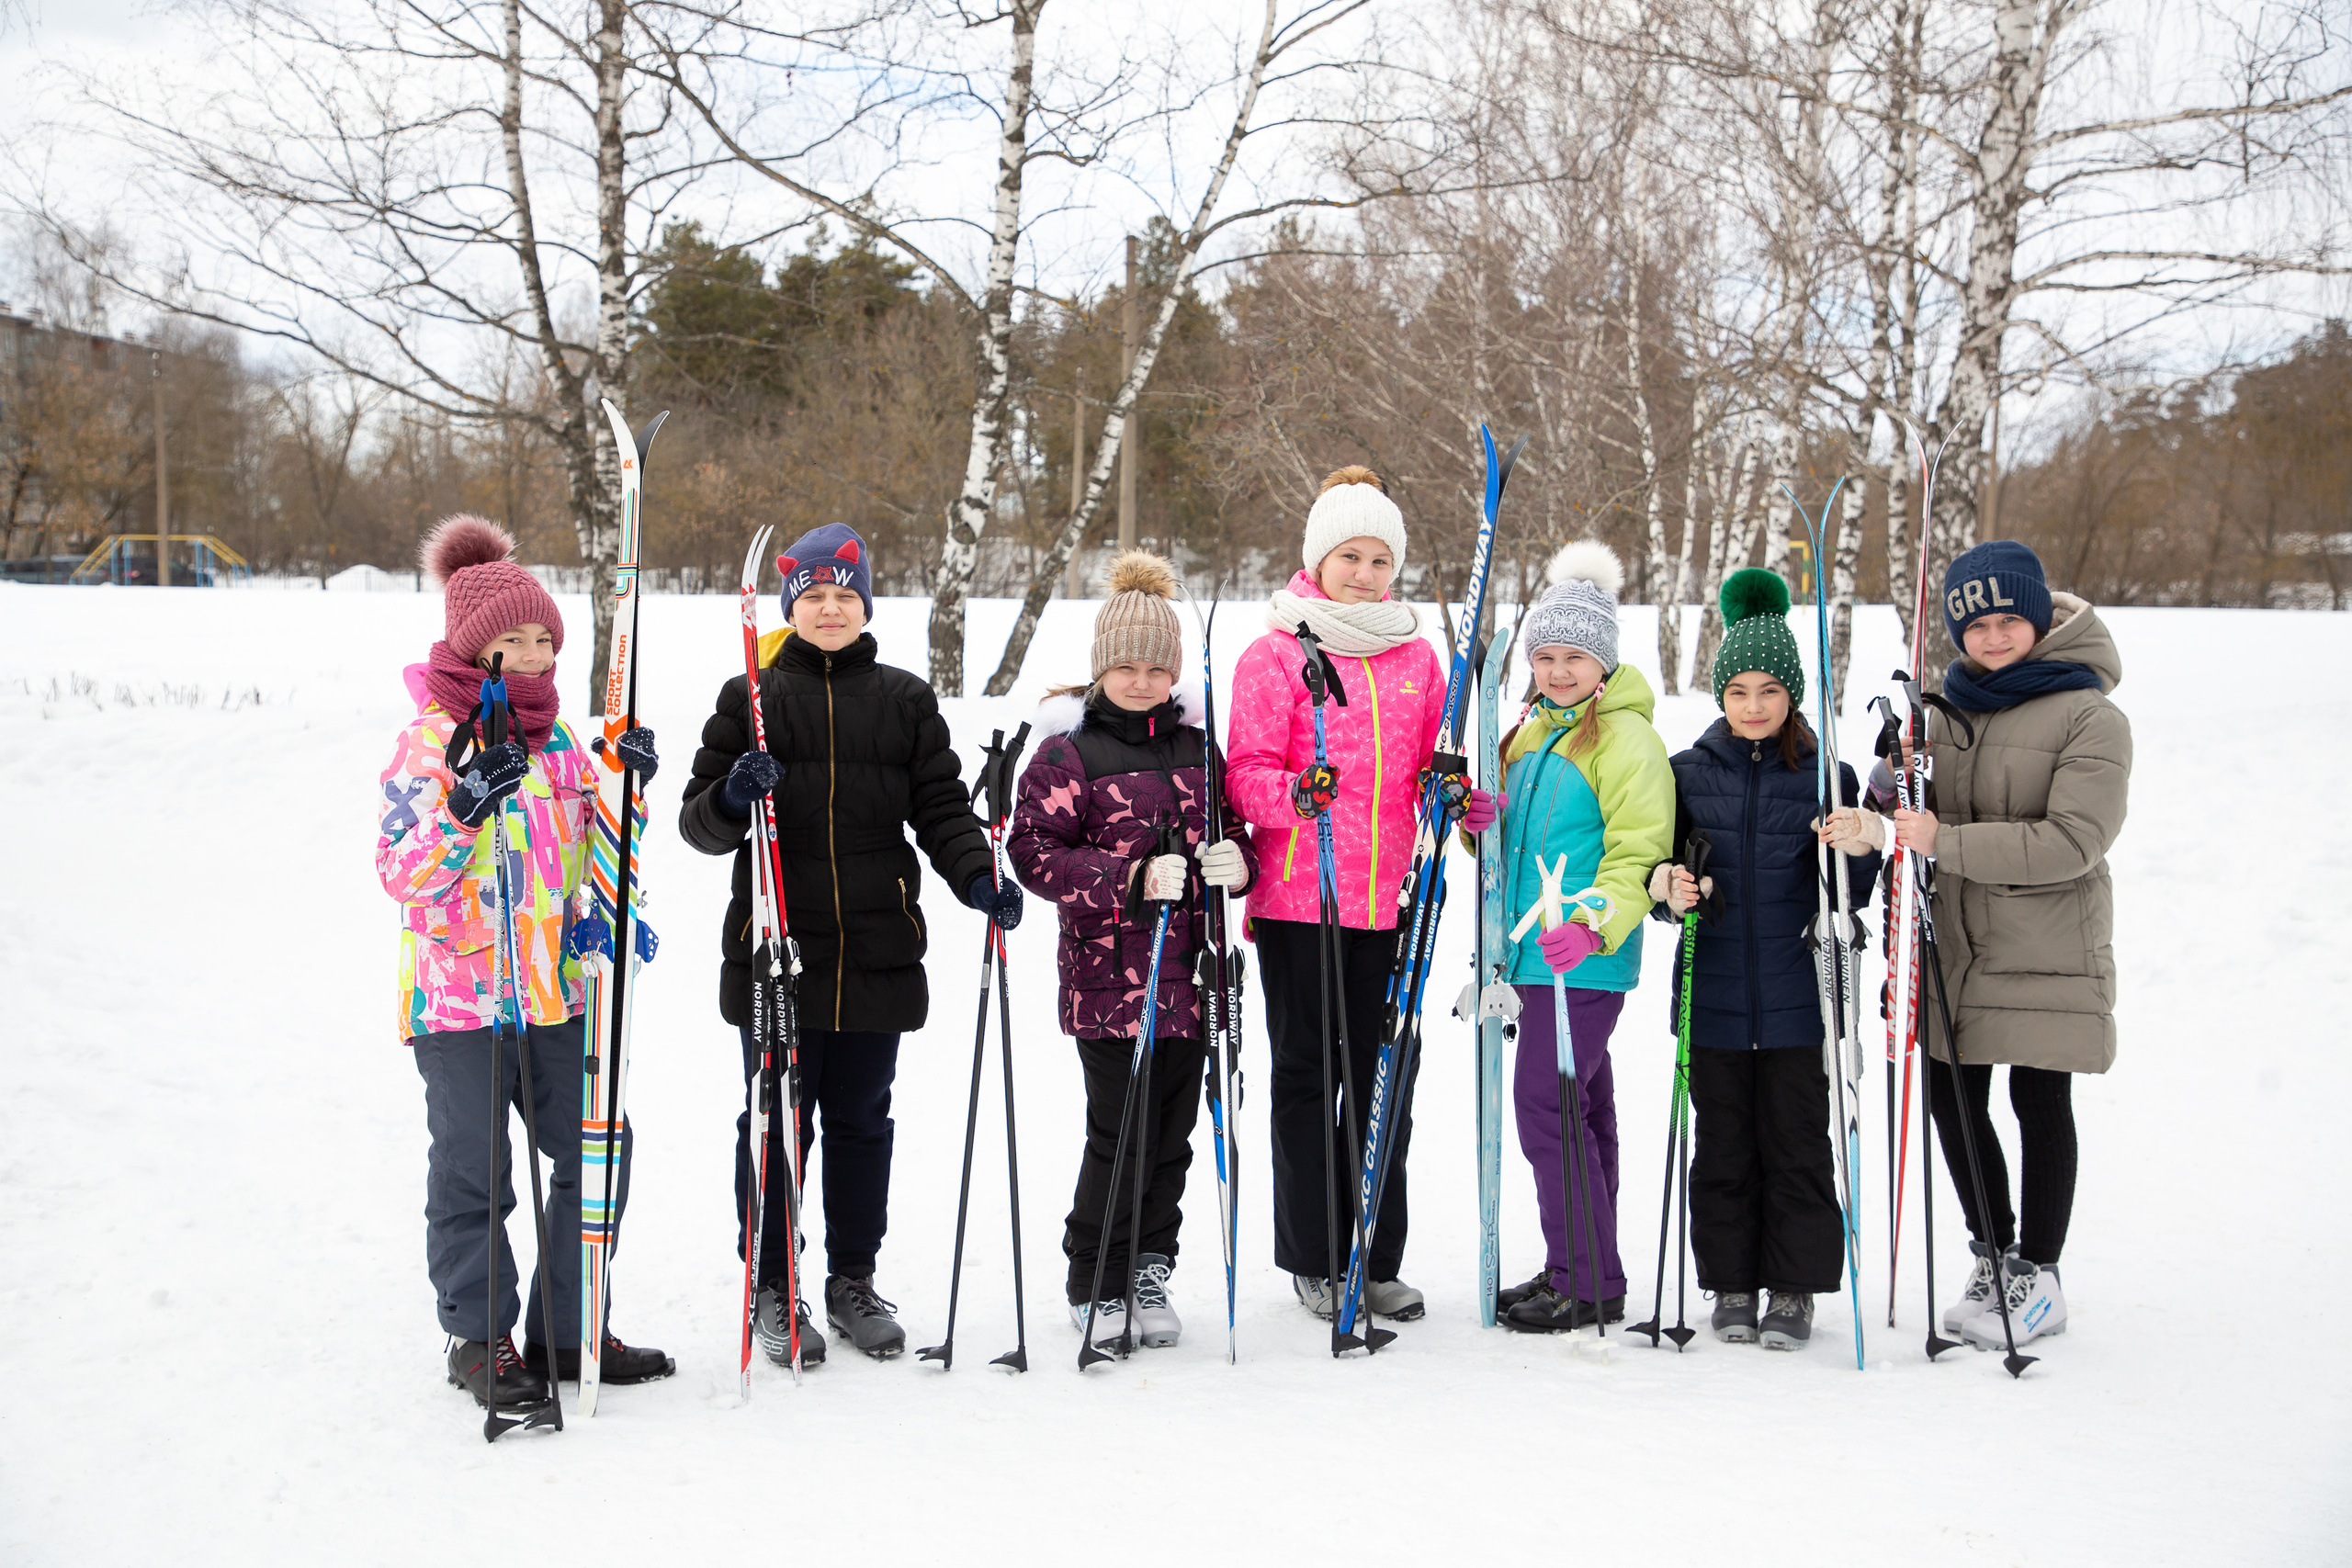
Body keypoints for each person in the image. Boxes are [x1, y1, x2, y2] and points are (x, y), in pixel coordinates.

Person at [678, 523, 1010, 1363]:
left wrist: (976, 877)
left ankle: (851, 1281)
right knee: (777, 1124)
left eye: (846, 596)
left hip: (875, 944)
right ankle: (773, 1286)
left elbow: (941, 809)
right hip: (777, 946)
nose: (831, 609)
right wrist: (730, 795)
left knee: (863, 1120)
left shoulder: (902, 700)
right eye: (815, 597)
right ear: (793, 607)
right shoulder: (751, 696)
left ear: (867, 605)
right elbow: (697, 825)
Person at [376, 513, 672, 1412]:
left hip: (556, 991)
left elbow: (594, 862)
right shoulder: (430, 741)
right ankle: (480, 1339)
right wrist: (465, 806)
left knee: (595, 1150)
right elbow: (402, 875)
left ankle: (566, 1328)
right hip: (460, 1000)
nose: (537, 656)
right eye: (516, 641)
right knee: (478, 1172)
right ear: (475, 649)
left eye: (546, 639)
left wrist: (629, 792)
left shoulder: (560, 743)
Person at [1225, 465, 1495, 1324]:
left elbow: (1424, 772)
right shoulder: (1275, 653)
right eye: (1352, 556)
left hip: (1392, 902)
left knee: (1386, 1077)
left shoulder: (1416, 655)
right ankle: (1314, 1255)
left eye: (1382, 559)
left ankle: (1373, 1252)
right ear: (1318, 557)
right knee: (1309, 1076)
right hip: (1303, 902)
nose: (1368, 574)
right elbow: (1246, 773)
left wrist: (1452, 798)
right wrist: (1293, 795)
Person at [1007, 552, 1256, 1349]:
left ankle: (1150, 1262)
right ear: (1100, 669)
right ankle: (1097, 1274)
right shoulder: (1069, 756)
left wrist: (1237, 860)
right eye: (1126, 667)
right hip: (1111, 981)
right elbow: (1034, 854)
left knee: (1176, 1130)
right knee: (1121, 1129)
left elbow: (1235, 827)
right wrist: (1131, 876)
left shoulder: (1198, 750)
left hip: (1194, 978)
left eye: (1157, 668)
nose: (1142, 681)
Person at [1886, 540, 2130, 1351]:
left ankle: (2042, 1275)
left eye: (2007, 621)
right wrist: (1899, 779)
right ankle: (1993, 1254)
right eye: (1976, 625)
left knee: (2038, 1101)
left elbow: (2072, 841)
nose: (1992, 638)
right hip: (1956, 943)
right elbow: (1918, 809)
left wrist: (1942, 839)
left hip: (2045, 947)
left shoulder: (2091, 714)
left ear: (2037, 617)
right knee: (1952, 1099)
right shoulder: (1949, 710)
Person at [1649, 568, 1882, 1350]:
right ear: (1720, 694)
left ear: (1793, 697)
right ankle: (1732, 1281)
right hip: (1710, 999)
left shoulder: (1825, 775)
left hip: (1796, 1001)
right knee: (1722, 1146)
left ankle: (1795, 1285)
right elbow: (1659, 873)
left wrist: (1854, 848)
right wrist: (1669, 887)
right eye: (1739, 689)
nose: (1753, 705)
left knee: (1795, 1142)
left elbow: (1852, 892)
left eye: (1769, 691)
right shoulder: (1685, 774)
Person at [1484, 543, 1676, 1333]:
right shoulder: (1530, 733)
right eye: (1546, 655)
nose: (1558, 670)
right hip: (1530, 958)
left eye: (1576, 657)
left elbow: (1640, 849)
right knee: (1582, 1107)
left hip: (1585, 961)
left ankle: (1586, 1279)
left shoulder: (1627, 740)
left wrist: (1595, 925)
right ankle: (1585, 1266)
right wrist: (1479, 828)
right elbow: (1514, 848)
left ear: (1605, 663)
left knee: (1544, 1102)